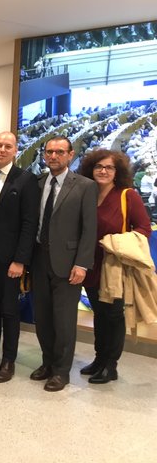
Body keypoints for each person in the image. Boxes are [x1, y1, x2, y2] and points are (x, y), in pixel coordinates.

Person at [30, 136, 97, 391]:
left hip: (68, 263)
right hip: (39, 259)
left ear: (70, 155)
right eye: (49, 152)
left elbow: (89, 229)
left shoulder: (84, 186)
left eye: (59, 152)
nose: (53, 156)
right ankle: (47, 362)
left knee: (64, 320)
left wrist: (82, 264)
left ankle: (61, 371)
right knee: (43, 318)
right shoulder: (36, 183)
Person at [79, 150, 151, 383]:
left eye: (109, 167)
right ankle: (99, 359)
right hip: (90, 264)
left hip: (114, 265)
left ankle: (111, 365)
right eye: (99, 166)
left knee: (113, 315)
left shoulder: (127, 195)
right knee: (99, 313)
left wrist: (116, 243)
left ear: (117, 172)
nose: (103, 171)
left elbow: (143, 228)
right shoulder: (87, 193)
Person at [0, 131, 39, 381]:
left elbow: (29, 223)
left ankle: (8, 359)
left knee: (9, 311)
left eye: (7, 146)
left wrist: (20, 260)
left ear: (15, 150)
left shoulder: (25, 180)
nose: (2, 149)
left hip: (9, 259)